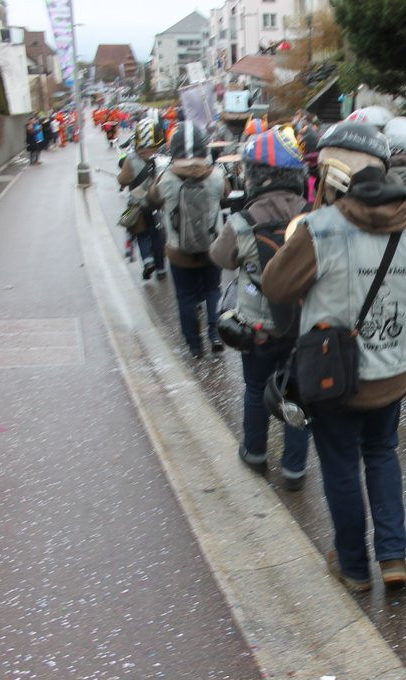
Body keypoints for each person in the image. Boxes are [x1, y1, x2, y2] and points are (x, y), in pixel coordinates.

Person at [261, 121, 406, 592]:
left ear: (331, 170)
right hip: (395, 370)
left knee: (341, 465)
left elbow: (276, 287)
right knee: (383, 453)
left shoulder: (319, 228)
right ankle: (392, 556)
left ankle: (354, 566)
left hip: (334, 376)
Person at [210, 126, 311, 490]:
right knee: (297, 392)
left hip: (258, 327)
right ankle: (294, 468)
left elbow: (220, 258)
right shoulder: (315, 215)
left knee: (255, 388)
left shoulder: (243, 221)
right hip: (304, 324)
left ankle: (254, 453)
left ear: (257, 175)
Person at [147, 121, 227, 359]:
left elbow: (153, 199)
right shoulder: (216, 177)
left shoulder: (167, 179)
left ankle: (194, 344)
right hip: (212, 248)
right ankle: (215, 334)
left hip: (179, 252)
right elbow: (226, 196)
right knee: (213, 290)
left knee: (186, 296)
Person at [118, 118, 167, 281]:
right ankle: (161, 269)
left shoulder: (131, 159)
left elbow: (122, 180)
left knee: (142, 234)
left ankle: (147, 261)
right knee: (158, 236)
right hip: (157, 204)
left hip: (138, 205)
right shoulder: (163, 157)